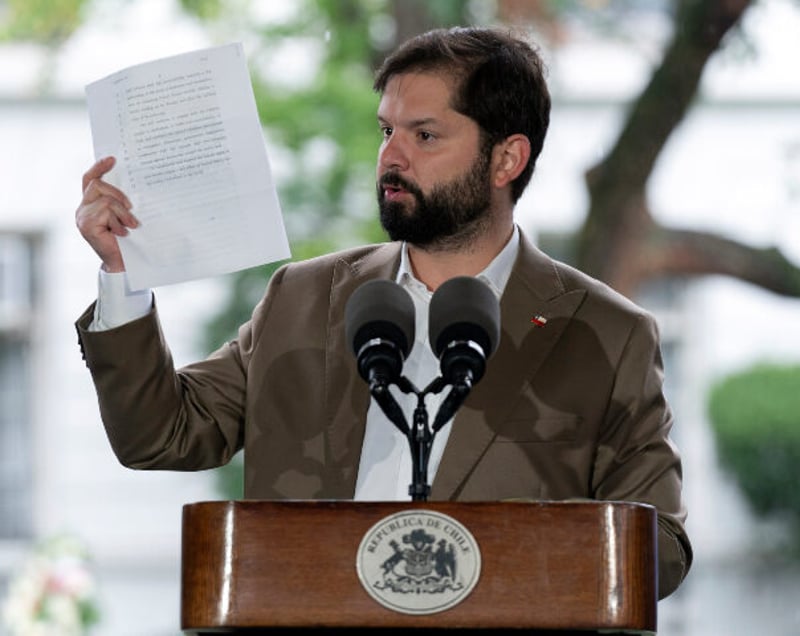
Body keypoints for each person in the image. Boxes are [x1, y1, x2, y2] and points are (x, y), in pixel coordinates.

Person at [74, 26, 692, 598]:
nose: (391, 157)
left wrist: (506, 552)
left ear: (507, 159)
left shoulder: (608, 336)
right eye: (385, 131)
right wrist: (121, 274)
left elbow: (659, 549)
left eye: (424, 135)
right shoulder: (303, 298)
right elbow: (162, 435)